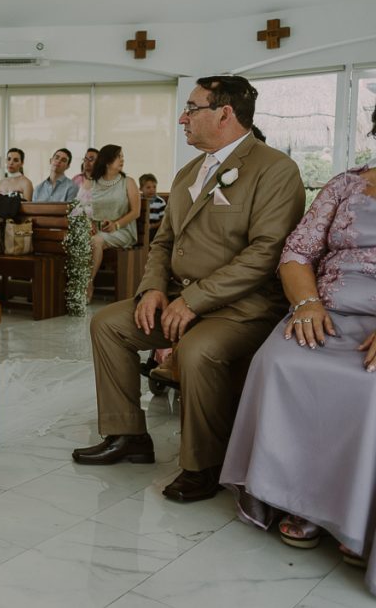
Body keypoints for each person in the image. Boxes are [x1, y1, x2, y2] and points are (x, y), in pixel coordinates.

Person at [72, 75, 305, 504]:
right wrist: (153, 291)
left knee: (199, 349)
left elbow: (266, 252)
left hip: (243, 308)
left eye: (192, 108)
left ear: (225, 114)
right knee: (108, 324)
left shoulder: (276, 169)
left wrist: (194, 300)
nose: (183, 118)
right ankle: (128, 435)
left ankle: (204, 464)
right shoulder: (188, 172)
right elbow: (163, 241)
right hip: (177, 297)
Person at [221, 111, 376, 585]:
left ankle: (355, 519)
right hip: (324, 310)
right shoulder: (344, 185)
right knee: (279, 361)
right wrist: (306, 303)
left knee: (368, 388)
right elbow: (296, 252)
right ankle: (296, 501)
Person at [86, 144, 140, 300]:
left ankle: (87, 284)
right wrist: (90, 225)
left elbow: (135, 212)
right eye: (119, 156)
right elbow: (82, 208)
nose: (122, 159)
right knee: (84, 240)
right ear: (107, 161)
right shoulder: (91, 183)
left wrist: (116, 224)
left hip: (122, 231)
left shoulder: (127, 182)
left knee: (96, 241)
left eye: (122, 156)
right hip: (96, 230)